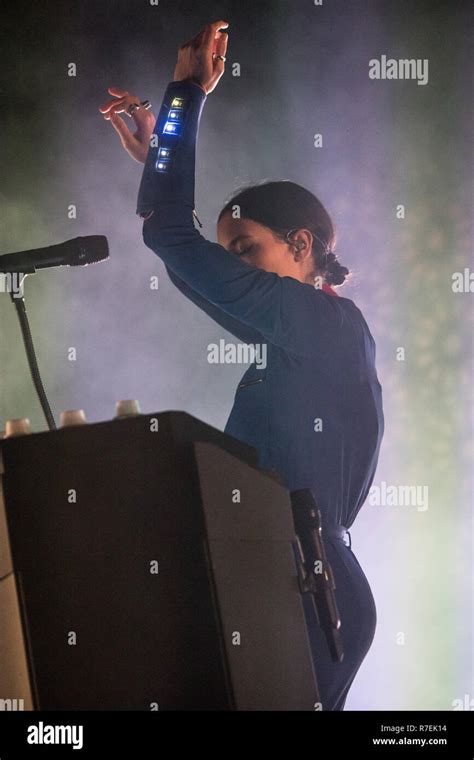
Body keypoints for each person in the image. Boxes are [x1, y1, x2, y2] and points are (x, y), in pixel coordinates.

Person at [99, 20, 384, 710]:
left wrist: (183, 98)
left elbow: (171, 238)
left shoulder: (323, 324)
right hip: (292, 576)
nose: (234, 267)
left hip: (308, 582)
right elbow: (179, 256)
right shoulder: (302, 333)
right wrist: (159, 162)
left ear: (301, 243)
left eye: (245, 249)